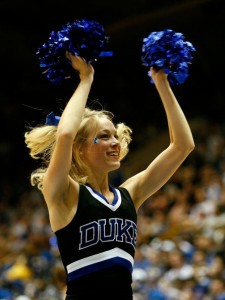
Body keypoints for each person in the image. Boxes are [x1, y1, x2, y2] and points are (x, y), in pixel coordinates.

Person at [24, 53, 195, 300]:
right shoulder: (64, 193)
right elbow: (64, 136)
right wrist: (86, 78)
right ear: (80, 147)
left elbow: (182, 145)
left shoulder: (129, 194)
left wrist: (162, 83)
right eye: (104, 136)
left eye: (115, 135)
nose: (115, 142)